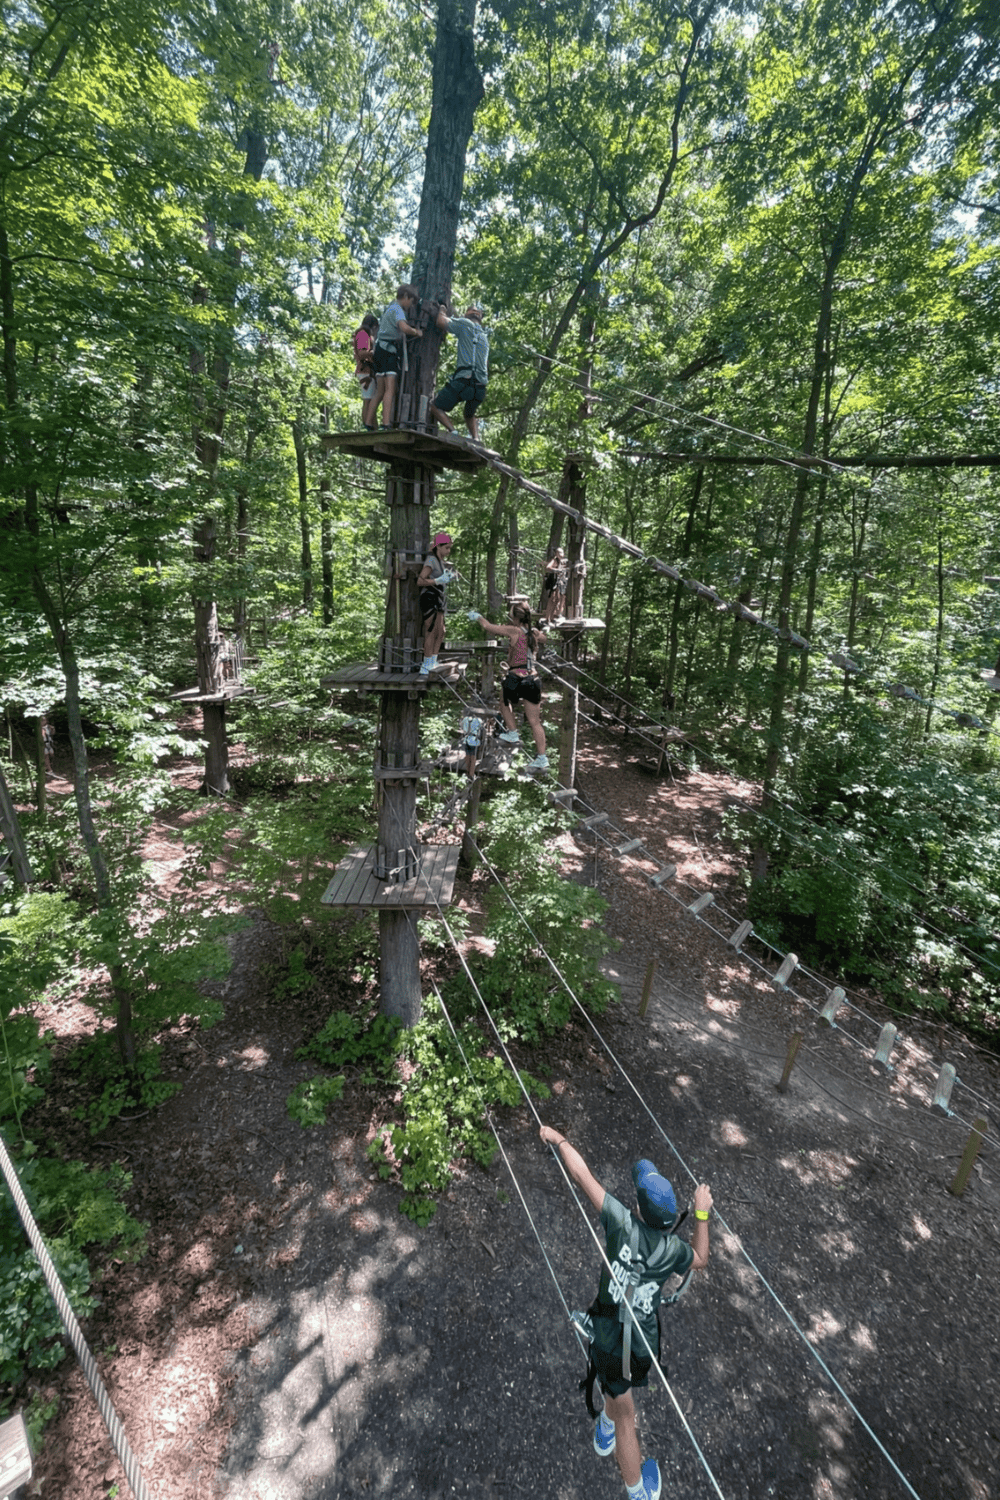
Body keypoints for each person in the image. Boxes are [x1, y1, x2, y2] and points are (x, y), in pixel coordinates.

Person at [538, 1126, 713, 1500]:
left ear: (638, 1208)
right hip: (642, 1345)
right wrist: (701, 1213)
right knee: (621, 1400)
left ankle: (636, 1490)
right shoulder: (672, 1249)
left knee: (626, 1415)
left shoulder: (620, 1222)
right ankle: (609, 1430)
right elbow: (700, 1258)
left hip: (609, 1339)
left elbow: (582, 1175)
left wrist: (558, 1138)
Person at [466, 603, 548, 770]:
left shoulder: (514, 630)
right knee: (535, 722)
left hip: (516, 677)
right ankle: (542, 757)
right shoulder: (533, 632)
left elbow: (489, 627)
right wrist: (541, 631)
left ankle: (512, 732)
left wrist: (478, 617)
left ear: (516, 618)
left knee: (503, 702)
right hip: (533, 679)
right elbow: (544, 639)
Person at [429, 304, 489, 443]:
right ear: (480, 318)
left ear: (466, 315)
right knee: (469, 414)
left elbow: (441, 321)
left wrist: (442, 309)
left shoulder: (465, 324)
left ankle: (453, 432)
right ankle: (476, 438)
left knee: (434, 406)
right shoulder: (484, 338)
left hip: (464, 380)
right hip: (480, 386)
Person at [372, 284, 423, 429]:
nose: (411, 306)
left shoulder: (390, 307)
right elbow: (404, 327)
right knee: (390, 388)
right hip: (388, 351)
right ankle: (386, 423)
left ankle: (368, 421)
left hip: (379, 349)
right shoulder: (398, 309)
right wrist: (416, 332)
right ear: (406, 296)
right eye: (411, 302)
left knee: (380, 391)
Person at [417, 532, 456, 676]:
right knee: (431, 630)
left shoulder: (439, 561)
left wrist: (451, 577)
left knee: (441, 631)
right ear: (438, 547)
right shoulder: (431, 560)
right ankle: (426, 664)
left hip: (439, 598)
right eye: (446, 548)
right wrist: (437, 580)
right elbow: (420, 581)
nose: (448, 551)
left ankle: (433, 660)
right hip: (430, 598)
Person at [352, 314, 379, 429]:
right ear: (373, 326)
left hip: (367, 371)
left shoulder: (363, 334)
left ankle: (373, 426)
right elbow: (362, 352)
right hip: (365, 371)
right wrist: (373, 352)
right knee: (368, 400)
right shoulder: (363, 334)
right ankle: (368, 426)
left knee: (370, 399)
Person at [542, 548, 567, 624]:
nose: (561, 554)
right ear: (556, 554)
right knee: (552, 600)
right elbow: (548, 567)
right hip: (552, 583)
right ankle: (547, 619)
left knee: (557, 600)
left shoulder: (561, 561)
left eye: (561, 553)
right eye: (559, 553)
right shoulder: (554, 560)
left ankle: (552, 617)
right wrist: (556, 570)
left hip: (557, 583)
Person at [459, 712, 483, 778]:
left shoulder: (465, 719)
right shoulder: (478, 720)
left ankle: (467, 772)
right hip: (474, 741)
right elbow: (481, 727)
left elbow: (461, 726)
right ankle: (471, 774)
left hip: (466, 740)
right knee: (473, 757)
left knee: (467, 756)